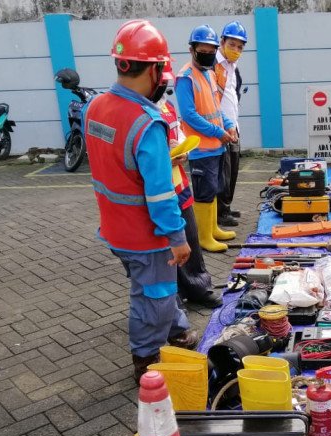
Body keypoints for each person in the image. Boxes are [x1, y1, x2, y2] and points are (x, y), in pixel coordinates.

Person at [83, 20, 199, 384]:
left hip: (114, 227)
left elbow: (114, 162)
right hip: (146, 235)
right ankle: (146, 357)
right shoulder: (148, 123)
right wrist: (177, 239)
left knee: (153, 288)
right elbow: (161, 193)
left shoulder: (95, 106)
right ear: (153, 70)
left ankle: (177, 331)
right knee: (154, 295)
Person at [158, 65, 223, 308]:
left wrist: (181, 146)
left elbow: (180, 131)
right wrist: (166, 156)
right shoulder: (139, 113)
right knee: (167, 249)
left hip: (179, 185)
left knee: (191, 241)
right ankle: (174, 298)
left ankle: (198, 287)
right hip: (158, 191)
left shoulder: (167, 106)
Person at [176, 24, 238, 253]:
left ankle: (212, 230)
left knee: (213, 189)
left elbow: (216, 107)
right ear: (192, 49)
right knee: (203, 193)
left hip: (217, 146)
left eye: (212, 50)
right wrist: (217, 132)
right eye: (203, 50)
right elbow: (189, 115)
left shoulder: (209, 74)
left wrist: (229, 126)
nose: (208, 54)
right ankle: (203, 238)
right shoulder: (185, 78)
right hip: (202, 147)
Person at [215, 21, 247, 228]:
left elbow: (233, 96)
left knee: (232, 169)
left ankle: (226, 207)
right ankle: (219, 213)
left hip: (233, 126)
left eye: (240, 47)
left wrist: (233, 123)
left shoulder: (233, 68)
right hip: (220, 129)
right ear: (222, 42)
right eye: (232, 44)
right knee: (222, 172)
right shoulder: (214, 66)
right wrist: (223, 125)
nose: (235, 50)